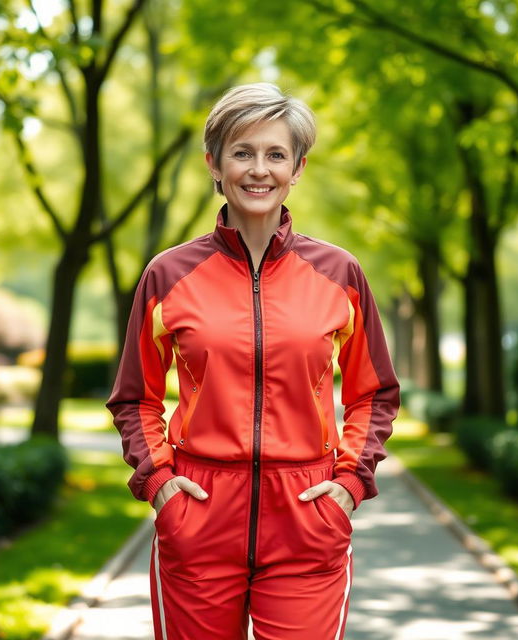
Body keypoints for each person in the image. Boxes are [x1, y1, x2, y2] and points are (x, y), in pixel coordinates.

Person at [106, 82, 400, 640]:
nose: (258, 170)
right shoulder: (168, 275)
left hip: (307, 516)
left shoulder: (340, 273)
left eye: (275, 154)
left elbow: (374, 394)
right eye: (242, 152)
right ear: (214, 163)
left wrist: (348, 485)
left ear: (298, 167)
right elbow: (135, 397)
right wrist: (161, 483)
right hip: (198, 514)